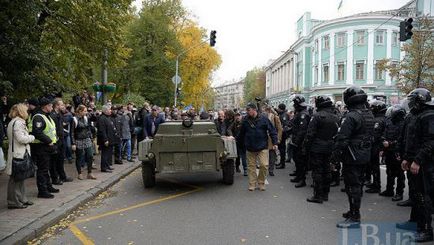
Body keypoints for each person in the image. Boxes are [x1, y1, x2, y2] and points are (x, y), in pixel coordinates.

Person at [334, 86, 374, 228]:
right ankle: (353, 211)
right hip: (364, 155)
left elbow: (342, 139)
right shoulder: (368, 114)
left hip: (352, 156)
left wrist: (335, 157)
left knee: (352, 186)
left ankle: (355, 216)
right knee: (358, 185)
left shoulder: (351, 116)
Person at [398, 88, 434, 242]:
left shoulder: (429, 115)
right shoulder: (416, 114)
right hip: (414, 160)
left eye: (413, 99)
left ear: (419, 100)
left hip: (425, 163)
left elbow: (430, 142)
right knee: (415, 194)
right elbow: (411, 140)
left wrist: (418, 160)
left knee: (424, 196)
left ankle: (426, 229)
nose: (410, 102)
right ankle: (414, 222)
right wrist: (407, 158)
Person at [303, 96, 339, 204]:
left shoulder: (317, 116)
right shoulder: (336, 117)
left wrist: (305, 147)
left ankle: (318, 195)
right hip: (330, 147)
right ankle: (325, 194)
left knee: (317, 171)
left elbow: (310, 134)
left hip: (317, 148)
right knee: (327, 170)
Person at [237, 102, 278, 191]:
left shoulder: (264, 119)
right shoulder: (245, 120)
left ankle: (261, 182)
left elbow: (272, 131)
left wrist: (275, 143)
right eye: (246, 110)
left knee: (264, 165)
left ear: (254, 110)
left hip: (262, 146)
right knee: (251, 167)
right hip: (250, 147)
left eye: (248, 110)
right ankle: (252, 184)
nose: (247, 112)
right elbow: (241, 134)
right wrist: (238, 144)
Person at [28, 98, 60, 198]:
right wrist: (49, 141)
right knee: (42, 169)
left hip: (48, 147)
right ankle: (42, 191)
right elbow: (37, 132)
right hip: (42, 147)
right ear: (45, 106)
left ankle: (48, 186)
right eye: (50, 105)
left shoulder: (46, 116)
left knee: (47, 168)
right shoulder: (38, 117)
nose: (52, 107)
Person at [6, 104, 35, 209]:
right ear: (22, 111)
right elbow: (21, 139)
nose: (27, 112)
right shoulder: (18, 123)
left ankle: (21, 198)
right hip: (18, 154)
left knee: (20, 178)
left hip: (18, 153)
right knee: (15, 179)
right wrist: (31, 137)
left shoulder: (15, 122)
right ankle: (14, 201)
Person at [381, 105, 406, 202]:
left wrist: (390, 143)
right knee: (389, 171)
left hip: (397, 152)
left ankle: (399, 193)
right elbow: (385, 133)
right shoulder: (389, 122)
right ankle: (389, 190)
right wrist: (383, 141)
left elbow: (402, 139)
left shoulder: (403, 124)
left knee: (400, 174)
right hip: (389, 151)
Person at [364, 100, 387, 194]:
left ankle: (376, 185)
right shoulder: (384, 119)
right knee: (374, 166)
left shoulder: (377, 120)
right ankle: (375, 183)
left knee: (374, 166)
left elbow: (375, 134)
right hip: (379, 146)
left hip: (376, 146)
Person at [289, 95, 311, 188]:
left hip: (300, 142)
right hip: (296, 140)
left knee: (300, 161)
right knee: (297, 159)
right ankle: (298, 175)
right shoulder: (299, 113)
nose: (294, 105)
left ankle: (302, 179)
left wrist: (297, 142)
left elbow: (302, 130)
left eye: (295, 104)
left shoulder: (303, 114)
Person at [50, 99, 73, 185]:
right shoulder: (52, 115)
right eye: (62, 105)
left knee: (60, 160)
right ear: (57, 105)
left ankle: (62, 176)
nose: (63, 106)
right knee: (55, 161)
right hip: (57, 140)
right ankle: (55, 178)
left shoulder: (59, 114)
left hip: (62, 139)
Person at [71, 105, 97, 180]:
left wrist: (91, 137)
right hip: (78, 140)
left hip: (87, 139)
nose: (86, 112)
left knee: (90, 155)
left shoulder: (86, 118)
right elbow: (71, 132)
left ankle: (89, 173)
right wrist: (73, 143)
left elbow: (88, 128)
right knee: (79, 157)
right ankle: (79, 173)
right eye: (85, 111)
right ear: (80, 111)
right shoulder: (74, 119)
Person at [97, 105, 116, 172]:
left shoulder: (108, 118)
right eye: (109, 109)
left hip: (110, 138)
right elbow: (102, 130)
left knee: (108, 153)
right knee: (105, 154)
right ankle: (103, 167)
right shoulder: (102, 118)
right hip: (106, 140)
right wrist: (105, 140)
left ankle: (107, 165)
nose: (110, 110)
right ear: (105, 111)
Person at [265, 106, 282, 176]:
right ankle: (264, 168)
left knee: (272, 155)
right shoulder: (263, 117)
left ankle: (271, 170)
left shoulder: (275, 117)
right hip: (264, 139)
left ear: (268, 111)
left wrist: (278, 139)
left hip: (272, 139)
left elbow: (280, 129)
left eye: (265, 110)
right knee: (263, 155)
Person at [276, 104, 291, 169]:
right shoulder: (282, 114)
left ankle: (282, 164)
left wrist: (281, 133)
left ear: (280, 108)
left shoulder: (284, 115)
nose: (278, 109)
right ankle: (281, 162)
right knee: (281, 149)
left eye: (278, 108)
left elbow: (285, 125)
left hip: (282, 134)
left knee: (282, 149)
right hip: (281, 134)